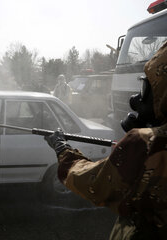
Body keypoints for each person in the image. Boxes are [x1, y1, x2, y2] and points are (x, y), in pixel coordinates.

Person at [45, 42, 167, 239]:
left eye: (146, 88)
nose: (136, 99)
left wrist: (63, 151)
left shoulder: (145, 143)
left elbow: (95, 184)